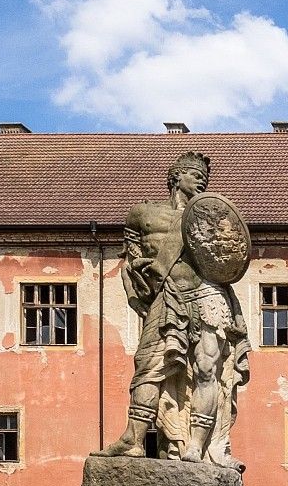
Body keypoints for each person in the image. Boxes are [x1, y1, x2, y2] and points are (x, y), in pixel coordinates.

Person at [103, 151, 249, 465]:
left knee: (208, 370)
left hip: (207, 292)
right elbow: (131, 261)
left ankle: (197, 447)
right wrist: (140, 280)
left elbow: (226, 260)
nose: (201, 180)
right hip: (167, 293)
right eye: (194, 174)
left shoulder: (211, 217)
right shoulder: (143, 214)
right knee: (148, 366)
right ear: (176, 176)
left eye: (204, 176)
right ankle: (134, 440)